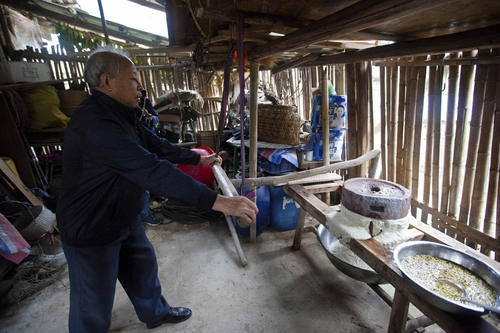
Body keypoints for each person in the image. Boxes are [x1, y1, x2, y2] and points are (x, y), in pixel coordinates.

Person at [56, 47, 258, 333]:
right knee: (92, 302)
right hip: (92, 226)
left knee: (142, 267)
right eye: (134, 79)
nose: (140, 86)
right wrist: (222, 202)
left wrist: (196, 158)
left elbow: (153, 144)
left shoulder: (120, 114)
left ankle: (156, 313)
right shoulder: (95, 125)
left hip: (122, 215)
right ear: (107, 82)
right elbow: (152, 169)